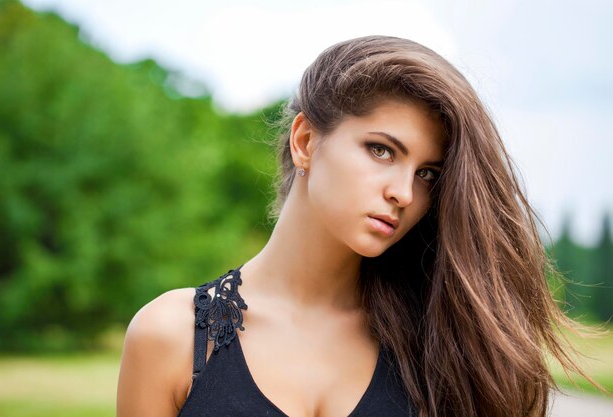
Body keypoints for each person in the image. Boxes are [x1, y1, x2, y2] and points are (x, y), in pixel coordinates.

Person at [116, 35, 600, 417]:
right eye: (382, 150)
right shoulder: (171, 337)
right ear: (305, 141)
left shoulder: (436, 349)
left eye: (427, 174)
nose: (405, 194)